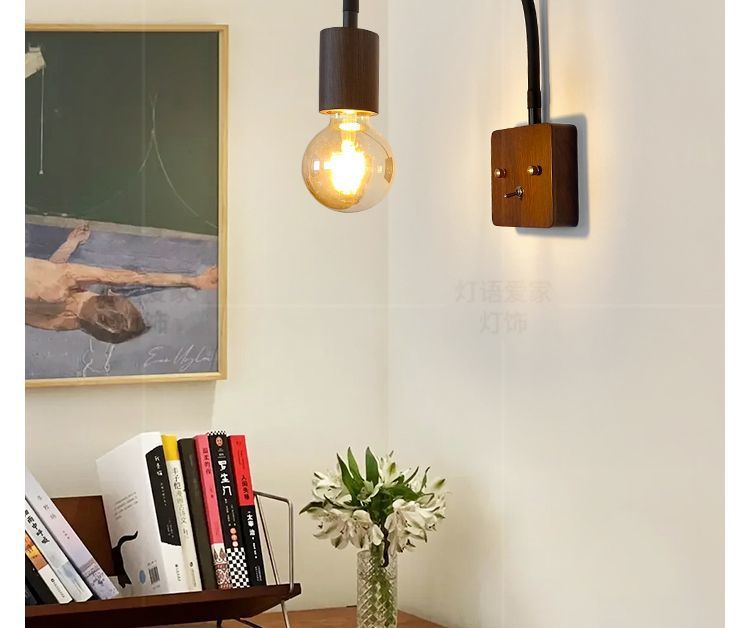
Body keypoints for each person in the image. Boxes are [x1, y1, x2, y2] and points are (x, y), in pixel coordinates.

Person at [25, 222, 218, 344]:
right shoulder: (69, 322)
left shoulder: (67, 278)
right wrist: (70, 245)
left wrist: (193, 280)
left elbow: (137, 278)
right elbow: (46, 279)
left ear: (112, 296)